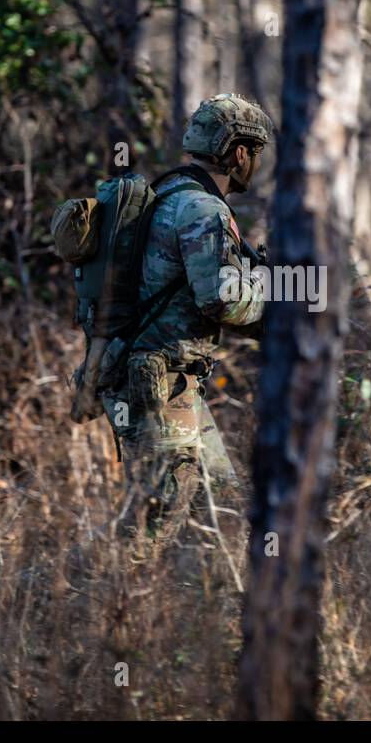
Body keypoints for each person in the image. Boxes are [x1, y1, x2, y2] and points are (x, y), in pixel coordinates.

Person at [104, 93, 274, 541]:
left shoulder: (168, 193)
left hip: (159, 379)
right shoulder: (204, 209)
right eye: (255, 153)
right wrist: (277, 306)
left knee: (218, 512)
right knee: (159, 523)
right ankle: (97, 597)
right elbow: (221, 300)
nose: (254, 164)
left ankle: (189, 602)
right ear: (240, 152)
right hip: (158, 384)